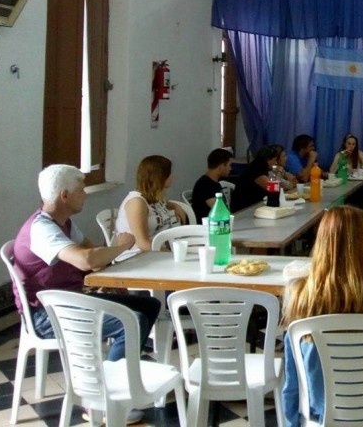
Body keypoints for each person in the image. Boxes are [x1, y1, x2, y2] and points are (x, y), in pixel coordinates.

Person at [12, 166, 161, 365]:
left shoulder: (64, 223)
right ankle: (113, 379)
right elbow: (86, 260)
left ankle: (123, 369)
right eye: (81, 190)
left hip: (71, 299)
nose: (85, 195)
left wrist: (107, 278)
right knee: (132, 321)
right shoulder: (42, 228)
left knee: (149, 305)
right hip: (46, 314)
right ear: (64, 196)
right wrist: (123, 245)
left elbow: (93, 254)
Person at [281, 205, 363, 427]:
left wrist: (291, 422)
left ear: (321, 243)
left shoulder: (298, 297)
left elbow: (292, 372)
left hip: (316, 410)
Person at [114, 155, 186, 251]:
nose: (172, 176)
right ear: (160, 177)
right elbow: (142, 243)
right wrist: (172, 254)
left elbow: (167, 204)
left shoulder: (153, 197)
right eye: (169, 173)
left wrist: (176, 206)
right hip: (139, 254)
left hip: (158, 250)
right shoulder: (136, 203)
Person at [233, 144, 282, 211]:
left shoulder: (260, 167)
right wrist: (278, 173)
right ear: (268, 160)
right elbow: (274, 188)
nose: (276, 163)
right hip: (244, 208)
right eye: (274, 160)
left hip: (254, 204)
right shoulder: (256, 170)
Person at [191, 148, 233, 221]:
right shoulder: (205, 186)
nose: (230, 168)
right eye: (229, 165)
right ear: (221, 166)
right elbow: (221, 213)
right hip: (209, 225)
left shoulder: (213, 183)